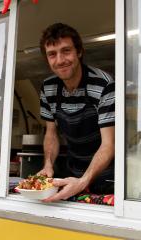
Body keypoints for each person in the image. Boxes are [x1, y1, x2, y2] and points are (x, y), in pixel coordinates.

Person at [38, 23, 115, 202]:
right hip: (72, 174)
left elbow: (109, 144)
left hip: (106, 177)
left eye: (66, 51)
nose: (60, 60)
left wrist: (83, 181)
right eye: (52, 54)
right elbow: (51, 134)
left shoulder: (104, 85)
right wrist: (48, 164)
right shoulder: (48, 88)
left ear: (79, 51)